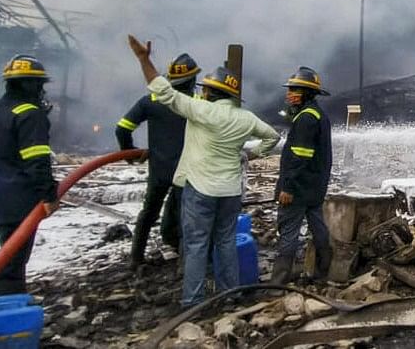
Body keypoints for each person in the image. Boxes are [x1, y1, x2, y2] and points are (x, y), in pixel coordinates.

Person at [127, 36, 279, 307]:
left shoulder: (201, 110)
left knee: (196, 245)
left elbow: (163, 91)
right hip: (230, 192)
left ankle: (193, 302)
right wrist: (249, 154)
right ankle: (229, 296)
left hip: (200, 191)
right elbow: (272, 137)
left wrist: (144, 59)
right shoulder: (246, 117)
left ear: (209, 91)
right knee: (225, 243)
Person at [116, 53, 200, 269]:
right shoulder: (196, 103)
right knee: (186, 217)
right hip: (186, 170)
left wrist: (130, 153)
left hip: (159, 169)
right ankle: (185, 264)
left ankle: (136, 258)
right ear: (191, 80)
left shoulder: (150, 101)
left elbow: (122, 128)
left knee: (148, 212)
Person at [0, 55, 58, 295]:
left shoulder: (0, 109)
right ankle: (9, 310)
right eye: (39, 85)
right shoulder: (30, 115)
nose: (41, 91)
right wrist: (49, 194)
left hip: (0, 196)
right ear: (29, 84)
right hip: (17, 199)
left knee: (6, 252)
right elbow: (37, 161)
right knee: (13, 261)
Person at [271, 66, 333, 283]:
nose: (289, 94)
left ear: (307, 93)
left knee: (288, 231)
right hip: (315, 187)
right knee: (319, 228)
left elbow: (299, 157)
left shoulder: (306, 119)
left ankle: (278, 281)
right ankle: (323, 272)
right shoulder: (318, 115)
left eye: (294, 90)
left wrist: (287, 187)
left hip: (298, 189)